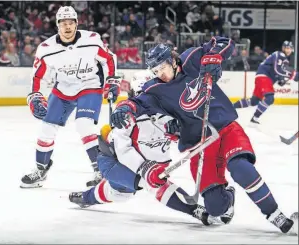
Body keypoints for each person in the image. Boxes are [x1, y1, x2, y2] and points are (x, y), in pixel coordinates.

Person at [110, 39, 298, 234]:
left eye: (163, 68)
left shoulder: (192, 58)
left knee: (241, 168)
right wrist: (123, 109)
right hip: (198, 145)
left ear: (173, 61)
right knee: (216, 208)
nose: (161, 74)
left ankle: (274, 213)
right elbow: (136, 103)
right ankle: (228, 197)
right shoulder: (154, 89)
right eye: (156, 71)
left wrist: (214, 58)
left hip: (224, 128)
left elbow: (225, 43)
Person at [69, 70, 216, 226]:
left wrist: (180, 132)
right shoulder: (126, 117)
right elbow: (123, 151)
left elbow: (175, 140)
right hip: (114, 164)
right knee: (152, 183)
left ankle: (85, 198)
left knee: (118, 193)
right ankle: (194, 210)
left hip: (143, 167)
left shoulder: (168, 113)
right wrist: (145, 169)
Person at [20, 6, 119, 188]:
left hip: (90, 85)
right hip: (64, 88)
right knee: (46, 128)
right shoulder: (46, 49)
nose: (67, 27)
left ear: (76, 24)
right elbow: (38, 76)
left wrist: (112, 80)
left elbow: (109, 59)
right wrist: (34, 96)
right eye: (63, 23)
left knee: (84, 124)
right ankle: (41, 169)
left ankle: (101, 170)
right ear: (58, 25)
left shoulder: (92, 40)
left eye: (71, 23)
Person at [233, 41, 298, 124]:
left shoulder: (282, 58)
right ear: (283, 48)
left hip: (262, 78)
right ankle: (255, 117)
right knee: (270, 98)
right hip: (264, 77)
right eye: (287, 48)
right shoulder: (280, 55)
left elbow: (277, 73)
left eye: (290, 48)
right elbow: (277, 70)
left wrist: (281, 80)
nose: (288, 50)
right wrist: (293, 75)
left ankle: (231, 106)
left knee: (254, 101)